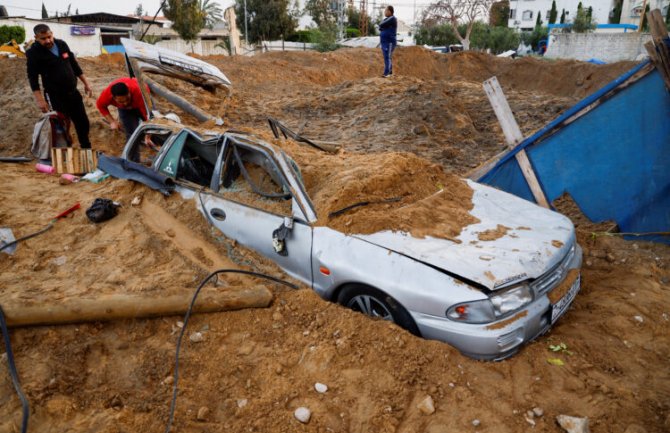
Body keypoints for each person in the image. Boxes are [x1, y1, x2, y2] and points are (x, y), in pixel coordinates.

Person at [26, 24, 93, 148]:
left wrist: (86, 83)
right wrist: (40, 100)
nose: (48, 41)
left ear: (52, 33)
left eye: (49, 37)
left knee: (83, 122)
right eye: (43, 38)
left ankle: (86, 148)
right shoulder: (33, 53)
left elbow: (74, 65)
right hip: (54, 95)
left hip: (72, 92)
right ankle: (64, 150)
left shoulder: (62, 44)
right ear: (36, 38)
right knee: (60, 125)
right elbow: (33, 77)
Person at [379, 5, 397, 78]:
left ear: (389, 11)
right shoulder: (386, 19)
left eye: (385, 10)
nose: (384, 12)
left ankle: (387, 73)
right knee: (386, 56)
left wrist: (383, 26)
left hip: (390, 41)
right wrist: (384, 26)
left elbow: (381, 24)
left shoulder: (392, 18)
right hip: (384, 42)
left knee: (388, 56)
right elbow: (380, 27)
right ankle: (389, 71)